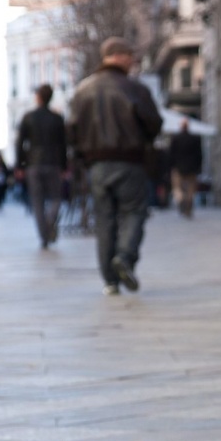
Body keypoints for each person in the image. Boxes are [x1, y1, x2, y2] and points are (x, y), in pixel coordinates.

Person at [67, 36, 162, 295]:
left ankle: (109, 279)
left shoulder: (82, 90)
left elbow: (72, 130)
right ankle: (125, 256)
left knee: (105, 219)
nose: (132, 62)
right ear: (119, 56)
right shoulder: (135, 89)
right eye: (130, 56)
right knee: (133, 211)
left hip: (96, 164)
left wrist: (82, 157)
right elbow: (154, 124)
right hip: (129, 160)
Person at [16, 83, 67, 249]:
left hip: (34, 163)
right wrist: (64, 165)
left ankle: (44, 234)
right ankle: (50, 221)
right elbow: (63, 145)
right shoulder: (57, 118)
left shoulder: (28, 117)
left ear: (38, 97)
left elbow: (20, 142)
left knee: (37, 201)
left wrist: (20, 165)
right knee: (56, 198)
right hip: (53, 162)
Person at [168, 117, 203, 218]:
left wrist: (171, 167)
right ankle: (187, 202)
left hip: (178, 168)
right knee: (191, 189)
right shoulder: (195, 138)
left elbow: (171, 154)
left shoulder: (175, 138)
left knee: (177, 188)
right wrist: (198, 167)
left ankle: (181, 199)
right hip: (192, 168)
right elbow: (199, 155)